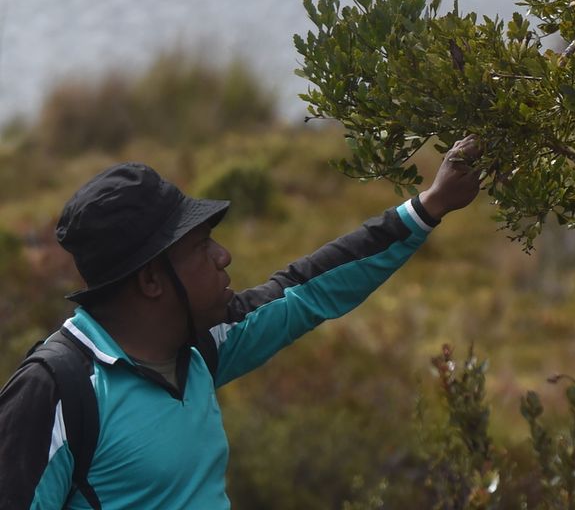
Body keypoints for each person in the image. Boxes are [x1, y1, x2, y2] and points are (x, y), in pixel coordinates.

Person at [0, 135, 483, 509]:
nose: (223, 256)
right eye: (201, 247)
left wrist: (430, 205)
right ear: (151, 280)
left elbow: (309, 289)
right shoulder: (58, 392)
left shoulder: (202, 349)